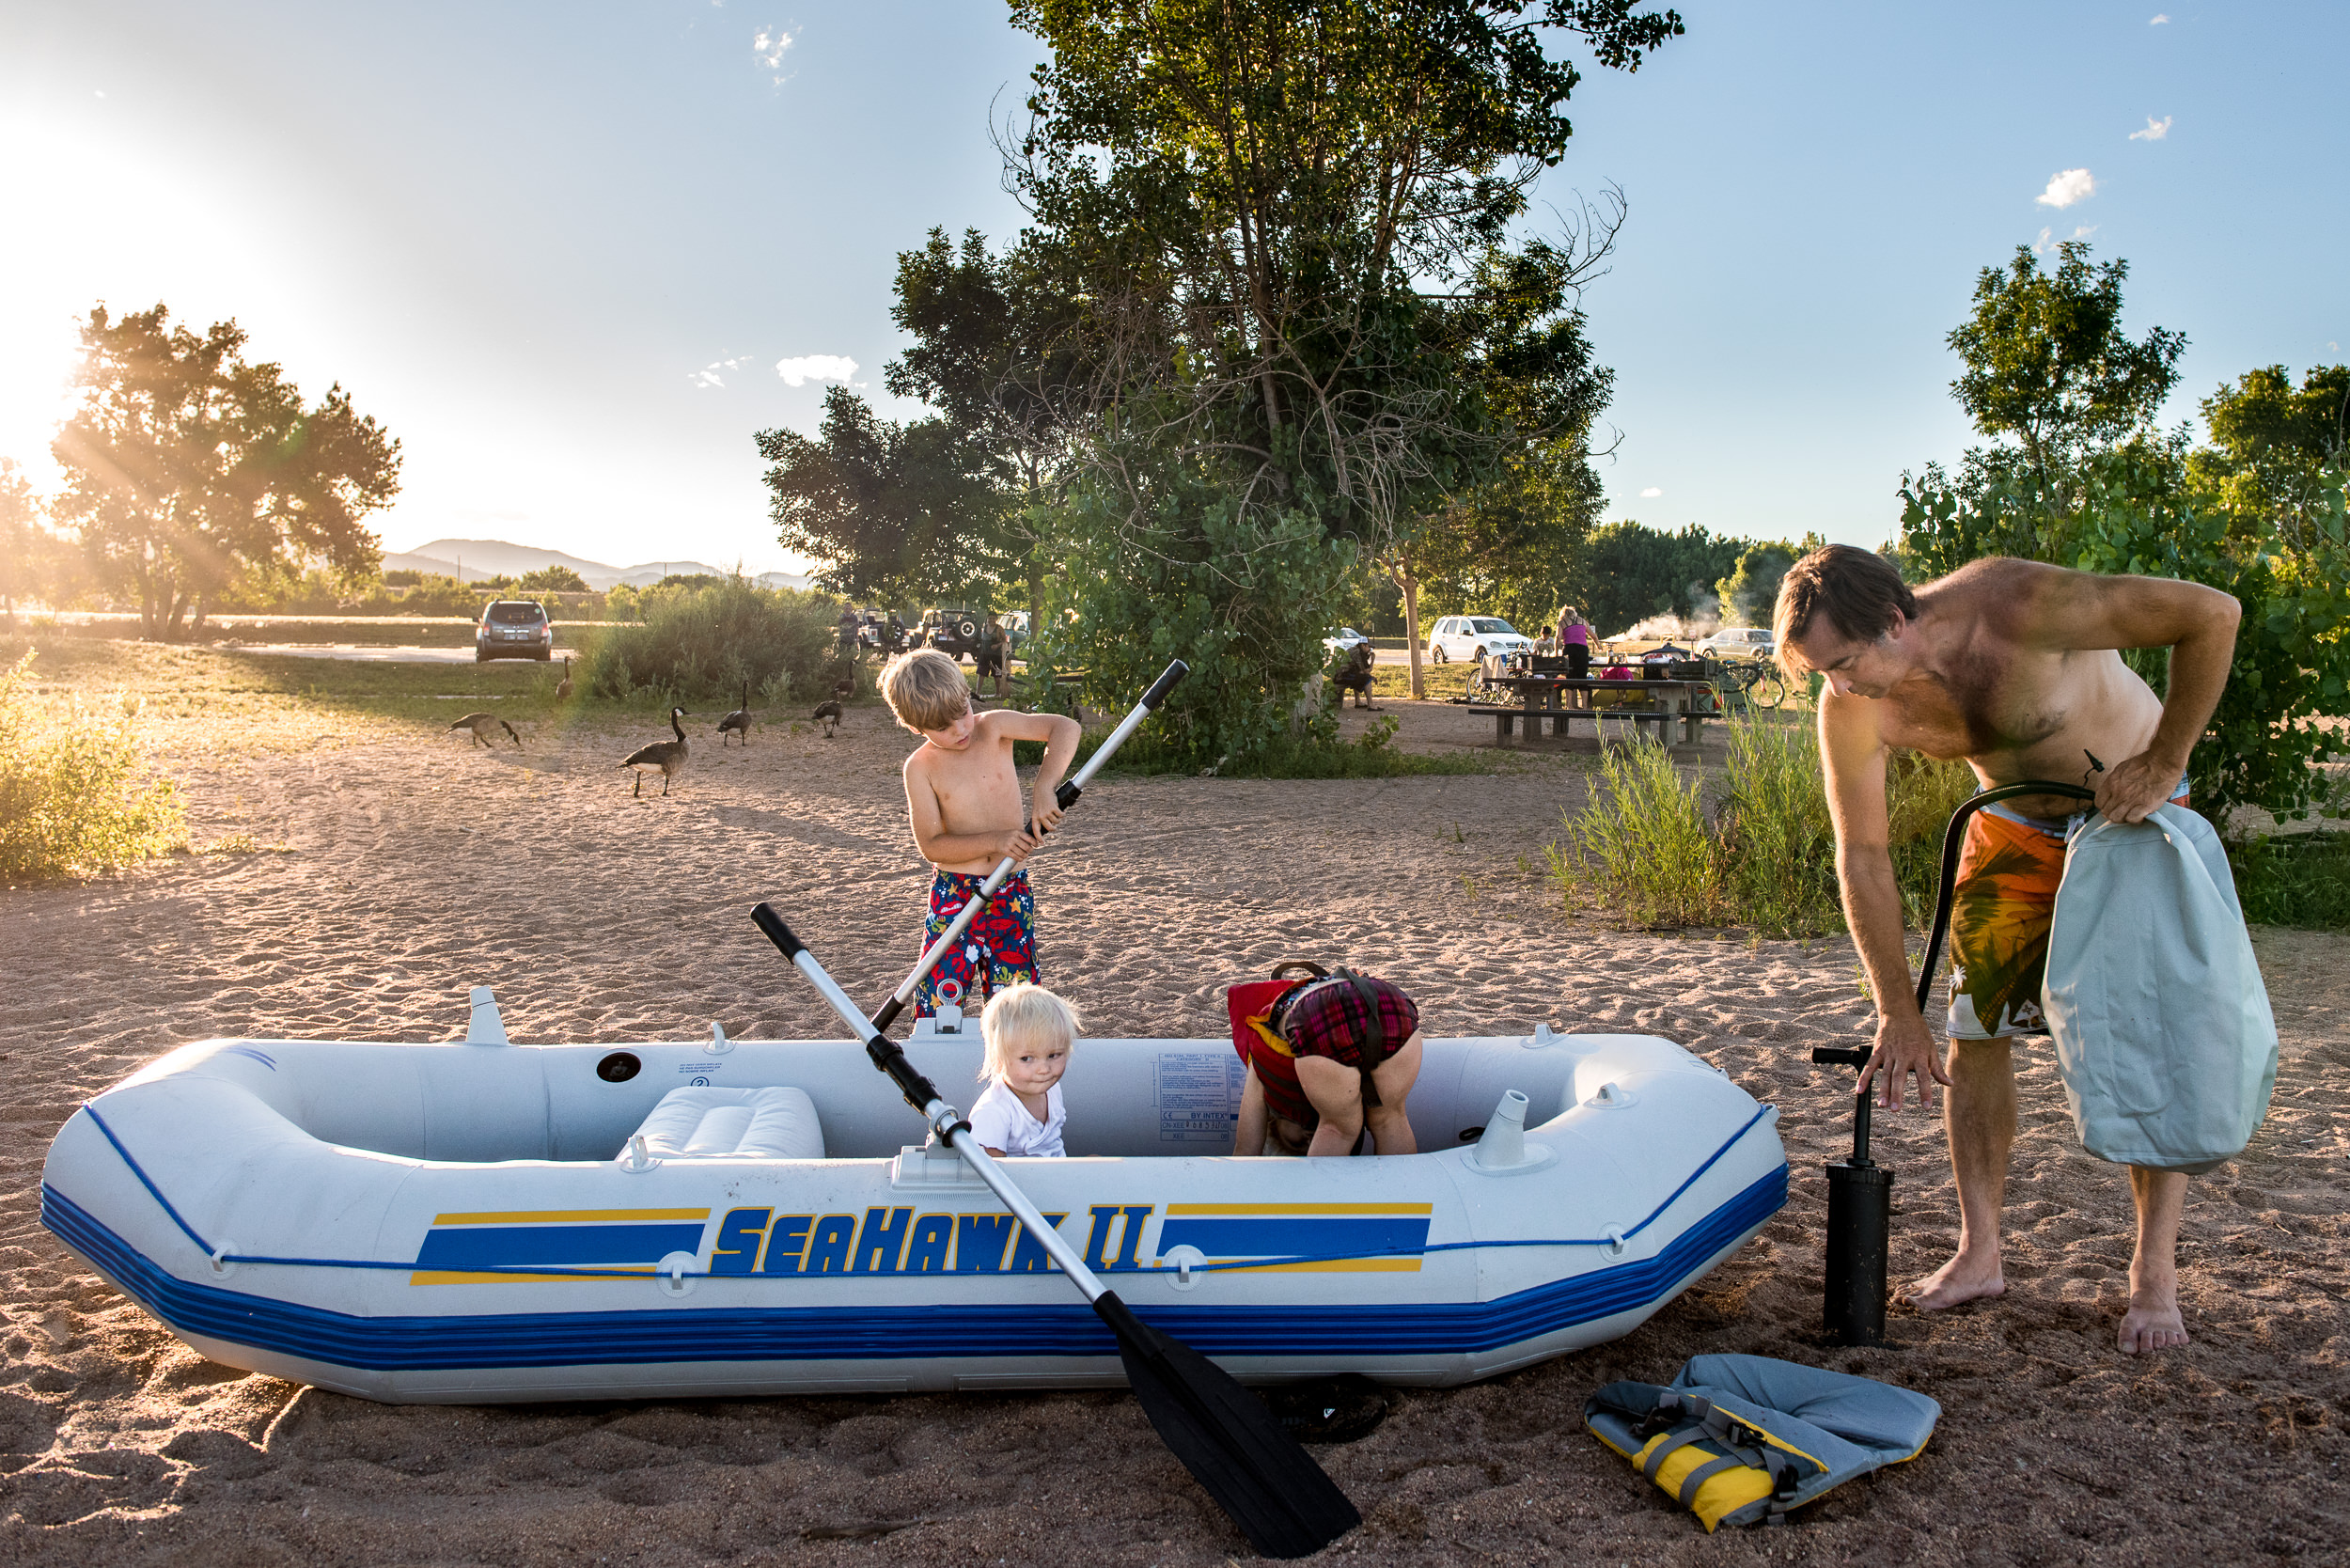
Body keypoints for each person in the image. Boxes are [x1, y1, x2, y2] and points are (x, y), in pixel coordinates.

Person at [1775, 544, 2241, 1355]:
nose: (1838, 687)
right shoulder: (1848, 705)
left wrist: (2164, 761)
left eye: (1846, 664)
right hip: (2014, 822)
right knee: (1974, 1032)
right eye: (1823, 672)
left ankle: (2154, 1276)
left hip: (2130, 813)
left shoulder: (2025, 607)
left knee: (2146, 1039)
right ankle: (1980, 1251)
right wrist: (1895, 1010)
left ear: (1895, 620)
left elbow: (2212, 615)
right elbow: (1863, 856)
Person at [881, 649, 1081, 1018]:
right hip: (954, 895)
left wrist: (1044, 786)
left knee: (1017, 1007)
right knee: (941, 1001)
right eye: (943, 727)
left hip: (1011, 889)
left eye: (963, 713)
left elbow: (1065, 728)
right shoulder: (919, 768)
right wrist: (995, 840)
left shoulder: (994, 726)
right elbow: (931, 845)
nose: (961, 729)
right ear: (915, 727)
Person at [1230, 966, 1423, 1157]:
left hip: (1321, 1018)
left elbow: (1246, 1147)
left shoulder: (1263, 1048)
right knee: (1390, 1119)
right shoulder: (1305, 997)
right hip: (1390, 1003)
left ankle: (1322, 1190)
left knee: (1338, 1130)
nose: (1308, 1138)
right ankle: (1403, 1189)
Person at [966, 982, 1077, 1157]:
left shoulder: (1052, 1089)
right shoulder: (994, 1112)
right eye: (1027, 1059)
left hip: (1057, 1175)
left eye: (1053, 1055)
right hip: (1018, 1183)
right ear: (998, 1060)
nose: (1044, 1069)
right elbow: (992, 1173)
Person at [976, 612, 1011, 702]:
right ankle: (977, 693)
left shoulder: (999, 628)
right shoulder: (984, 627)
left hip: (996, 655)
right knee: (981, 673)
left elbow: (1005, 641)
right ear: (987, 619)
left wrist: (997, 645)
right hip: (985, 654)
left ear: (996, 619)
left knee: (997, 675)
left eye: (993, 618)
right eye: (989, 618)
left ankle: (998, 692)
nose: (991, 620)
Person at [1558, 606, 1591, 679]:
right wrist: (1598, 645)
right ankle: (1583, 688)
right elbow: (1593, 635)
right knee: (1582, 678)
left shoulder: (1562, 623)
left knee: (1570, 678)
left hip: (1569, 649)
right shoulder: (1583, 621)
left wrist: (1556, 652)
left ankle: (1570, 688)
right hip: (1582, 649)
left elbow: (1558, 638)